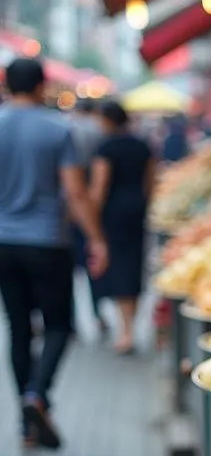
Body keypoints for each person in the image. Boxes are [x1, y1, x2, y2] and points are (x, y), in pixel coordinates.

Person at [0, 58, 108, 448]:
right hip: (48, 241)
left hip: (5, 244)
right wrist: (96, 238)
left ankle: (27, 423)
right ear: (42, 85)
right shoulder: (56, 130)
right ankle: (38, 394)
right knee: (59, 325)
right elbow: (76, 192)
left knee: (17, 328)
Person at [90, 100, 154, 355]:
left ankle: (125, 331)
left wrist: (91, 217)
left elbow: (99, 187)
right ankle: (129, 328)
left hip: (113, 214)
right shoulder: (142, 145)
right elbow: (151, 181)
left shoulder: (105, 148)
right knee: (133, 266)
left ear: (106, 120)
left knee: (119, 269)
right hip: (136, 211)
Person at [68, 97, 108, 337]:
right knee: (94, 266)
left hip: (64, 213)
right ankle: (98, 314)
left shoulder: (64, 127)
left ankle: (69, 319)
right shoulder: (98, 130)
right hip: (92, 208)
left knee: (68, 271)